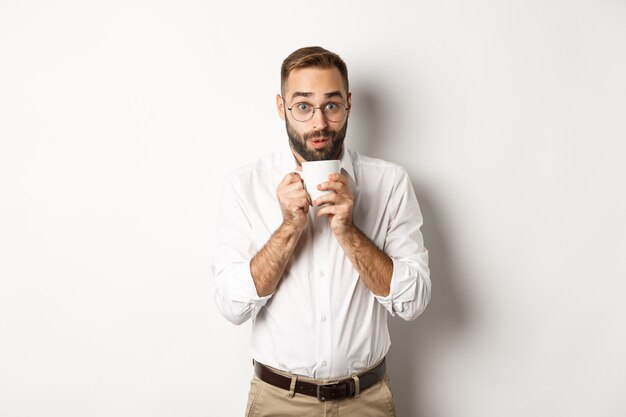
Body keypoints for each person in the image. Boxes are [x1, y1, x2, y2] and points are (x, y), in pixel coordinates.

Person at [213, 46, 431, 417]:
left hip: (367, 400)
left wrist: (348, 231)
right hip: (278, 401)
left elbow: (412, 303)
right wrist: (288, 228)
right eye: (303, 106)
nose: (318, 123)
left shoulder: (390, 182)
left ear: (348, 104)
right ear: (282, 108)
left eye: (331, 105)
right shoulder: (245, 185)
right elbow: (232, 306)